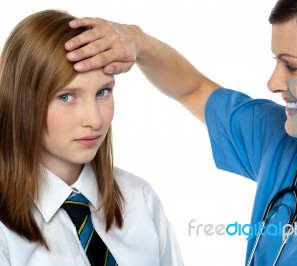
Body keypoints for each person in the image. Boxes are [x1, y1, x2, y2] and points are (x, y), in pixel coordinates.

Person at [64, 0, 297, 265]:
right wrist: (138, 42)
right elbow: (192, 89)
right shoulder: (278, 141)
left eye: (293, 67)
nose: (273, 83)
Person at [0, 9, 183, 266]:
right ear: (22, 102)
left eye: (103, 92)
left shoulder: (139, 198)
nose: (95, 119)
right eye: (66, 97)